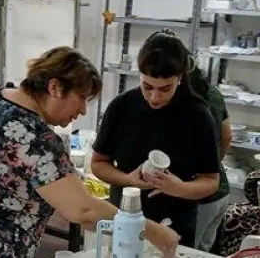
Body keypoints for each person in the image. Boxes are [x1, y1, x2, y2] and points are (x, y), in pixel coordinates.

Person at [0, 46, 179, 258]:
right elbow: (84, 210)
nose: (83, 110)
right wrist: (156, 233)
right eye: (82, 98)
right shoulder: (35, 137)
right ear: (54, 87)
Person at [90, 30, 221, 246]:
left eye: (165, 89)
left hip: (174, 223)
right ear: (139, 76)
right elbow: (98, 163)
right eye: (147, 86)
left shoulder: (197, 115)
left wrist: (179, 188)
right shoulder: (121, 107)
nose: (154, 97)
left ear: (179, 79)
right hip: (124, 216)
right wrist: (128, 180)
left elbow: (210, 180)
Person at [189, 66, 232, 252]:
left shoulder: (188, 103)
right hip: (221, 192)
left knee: (186, 256)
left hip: (201, 197)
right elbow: (227, 135)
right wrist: (214, 165)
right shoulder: (213, 93)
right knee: (202, 255)